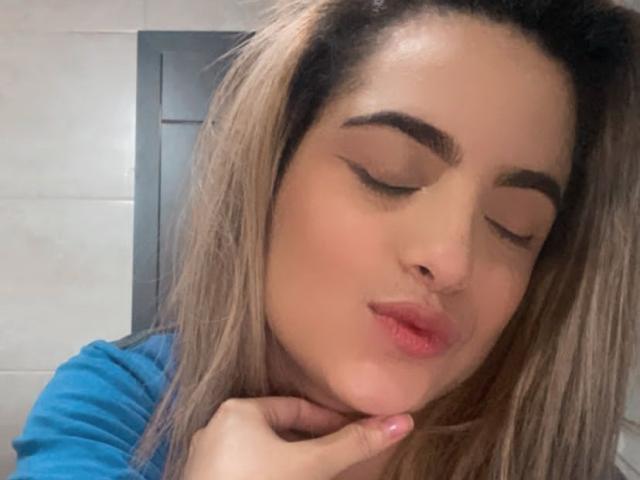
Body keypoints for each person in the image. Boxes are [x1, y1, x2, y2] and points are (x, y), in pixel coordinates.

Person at [9, 0, 640, 479]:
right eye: (388, 173)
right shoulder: (117, 408)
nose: (451, 260)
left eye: (513, 226)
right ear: (270, 172)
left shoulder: (566, 461)